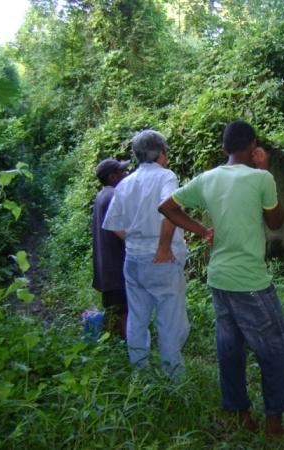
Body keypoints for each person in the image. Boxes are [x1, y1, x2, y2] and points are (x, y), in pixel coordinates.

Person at [158, 120, 284, 437]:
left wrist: (202, 231)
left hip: (218, 278)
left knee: (230, 349)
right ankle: (274, 424)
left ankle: (239, 415)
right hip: (250, 281)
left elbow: (167, 207)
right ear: (253, 146)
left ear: (224, 148)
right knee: (276, 350)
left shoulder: (207, 178)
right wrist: (266, 170)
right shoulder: (261, 178)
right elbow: (275, 222)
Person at [102, 130, 190, 379]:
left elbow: (112, 224)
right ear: (162, 153)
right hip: (161, 260)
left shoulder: (125, 183)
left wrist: (135, 241)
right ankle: (173, 378)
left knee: (137, 318)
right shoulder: (166, 177)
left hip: (133, 260)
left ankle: (140, 374)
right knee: (170, 321)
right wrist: (162, 247)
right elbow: (170, 211)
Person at [92, 158, 130, 339]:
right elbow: (120, 229)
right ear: (112, 176)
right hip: (116, 265)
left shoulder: (102, 195)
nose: (126, 175)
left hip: (106, 265)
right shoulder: (113, 195)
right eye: (123, 172)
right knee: (122, 310)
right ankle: (125, 346)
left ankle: (111, 344)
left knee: (114, 308)